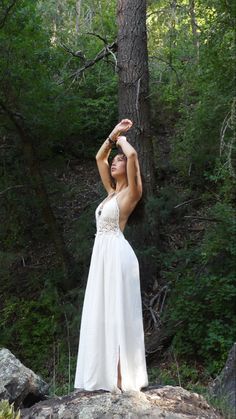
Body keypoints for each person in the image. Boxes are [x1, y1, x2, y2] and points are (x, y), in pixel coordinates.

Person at [74, 119, 149, 393]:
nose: (115, 163)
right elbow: (99, 157)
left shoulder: (132, 193)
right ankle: (104, 376)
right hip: (101, 257)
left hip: (118, 256)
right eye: (114, 162)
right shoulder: (109, 194)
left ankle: (120, 379)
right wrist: (113, 134)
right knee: (101, 311)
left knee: (118, 313)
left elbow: (131, 155)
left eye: (118, 163)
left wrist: (122, 141)